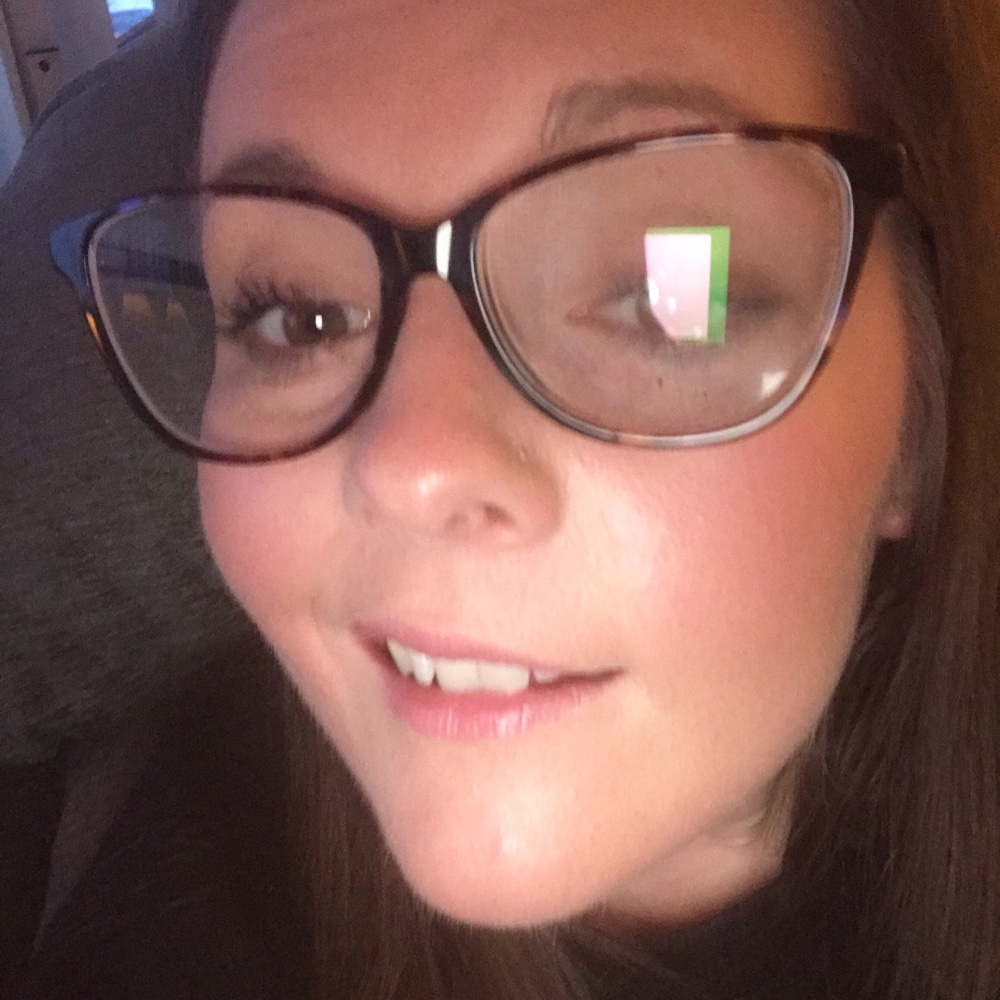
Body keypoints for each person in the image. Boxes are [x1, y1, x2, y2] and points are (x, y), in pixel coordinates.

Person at [27, 0, 1000, 996]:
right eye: (296, 316)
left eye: (659, 300)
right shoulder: (172, 912)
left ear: (922, 418)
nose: (411, 467)